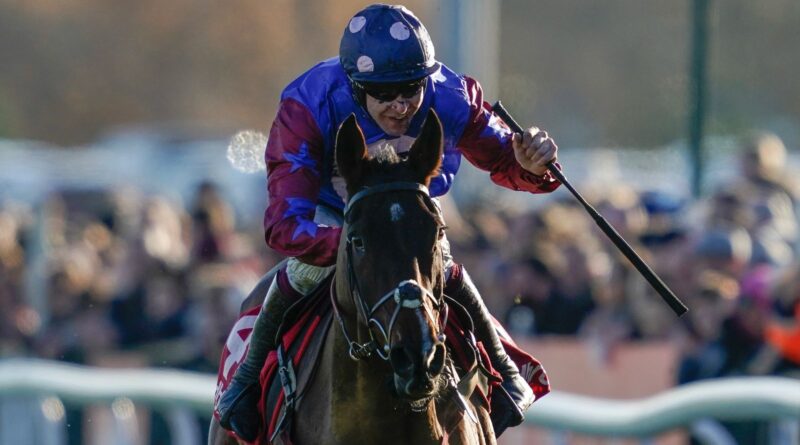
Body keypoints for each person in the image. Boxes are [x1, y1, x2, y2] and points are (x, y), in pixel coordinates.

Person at [216, 4, 560, 441]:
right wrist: (356, 244)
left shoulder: (451, 96)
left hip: (409, 217)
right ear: (356, 88)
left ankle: (506, 370)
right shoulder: (307, 104)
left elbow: (505, 160)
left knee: (442, 263)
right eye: (385, 93)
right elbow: (284, 225)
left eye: (411, 89)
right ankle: (243, 382)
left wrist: (531, 164)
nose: (401, 105)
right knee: (301, 271)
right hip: (336, 218)